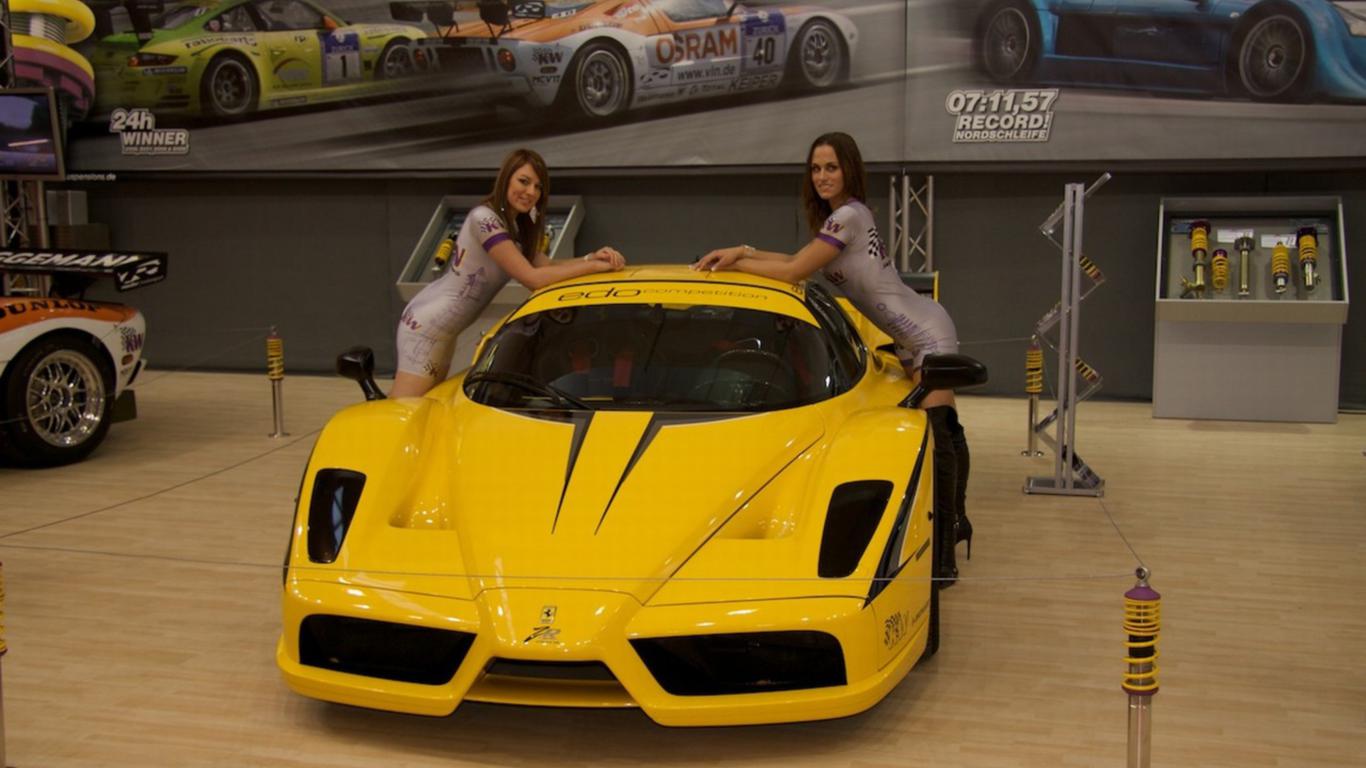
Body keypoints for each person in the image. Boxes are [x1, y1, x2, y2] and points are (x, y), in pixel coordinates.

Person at [694, 131, 972, 588]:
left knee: (939, 438)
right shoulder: (843, 219)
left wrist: (734, 263)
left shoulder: (848, 216)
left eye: (831, 168)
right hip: (905, 336)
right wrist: (742, 251)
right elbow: (799, 258)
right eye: (816, 169)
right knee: (943, 434)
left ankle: (945, 553)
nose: (822, 176)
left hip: (926, 333)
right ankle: (956, 524)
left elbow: (792, 271)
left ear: (849, 170)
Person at [392, 148, 625, 398]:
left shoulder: (513, 225)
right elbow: (532, 279)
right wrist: (594, 267)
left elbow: (545, 265)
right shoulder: (485, 220)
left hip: (444, 329)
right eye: (523, 181)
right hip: (427, 326)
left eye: (537, 187)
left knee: (424, 406)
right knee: (404, 411)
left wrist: (591, 258)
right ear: (506, 179)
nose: (530, 192)